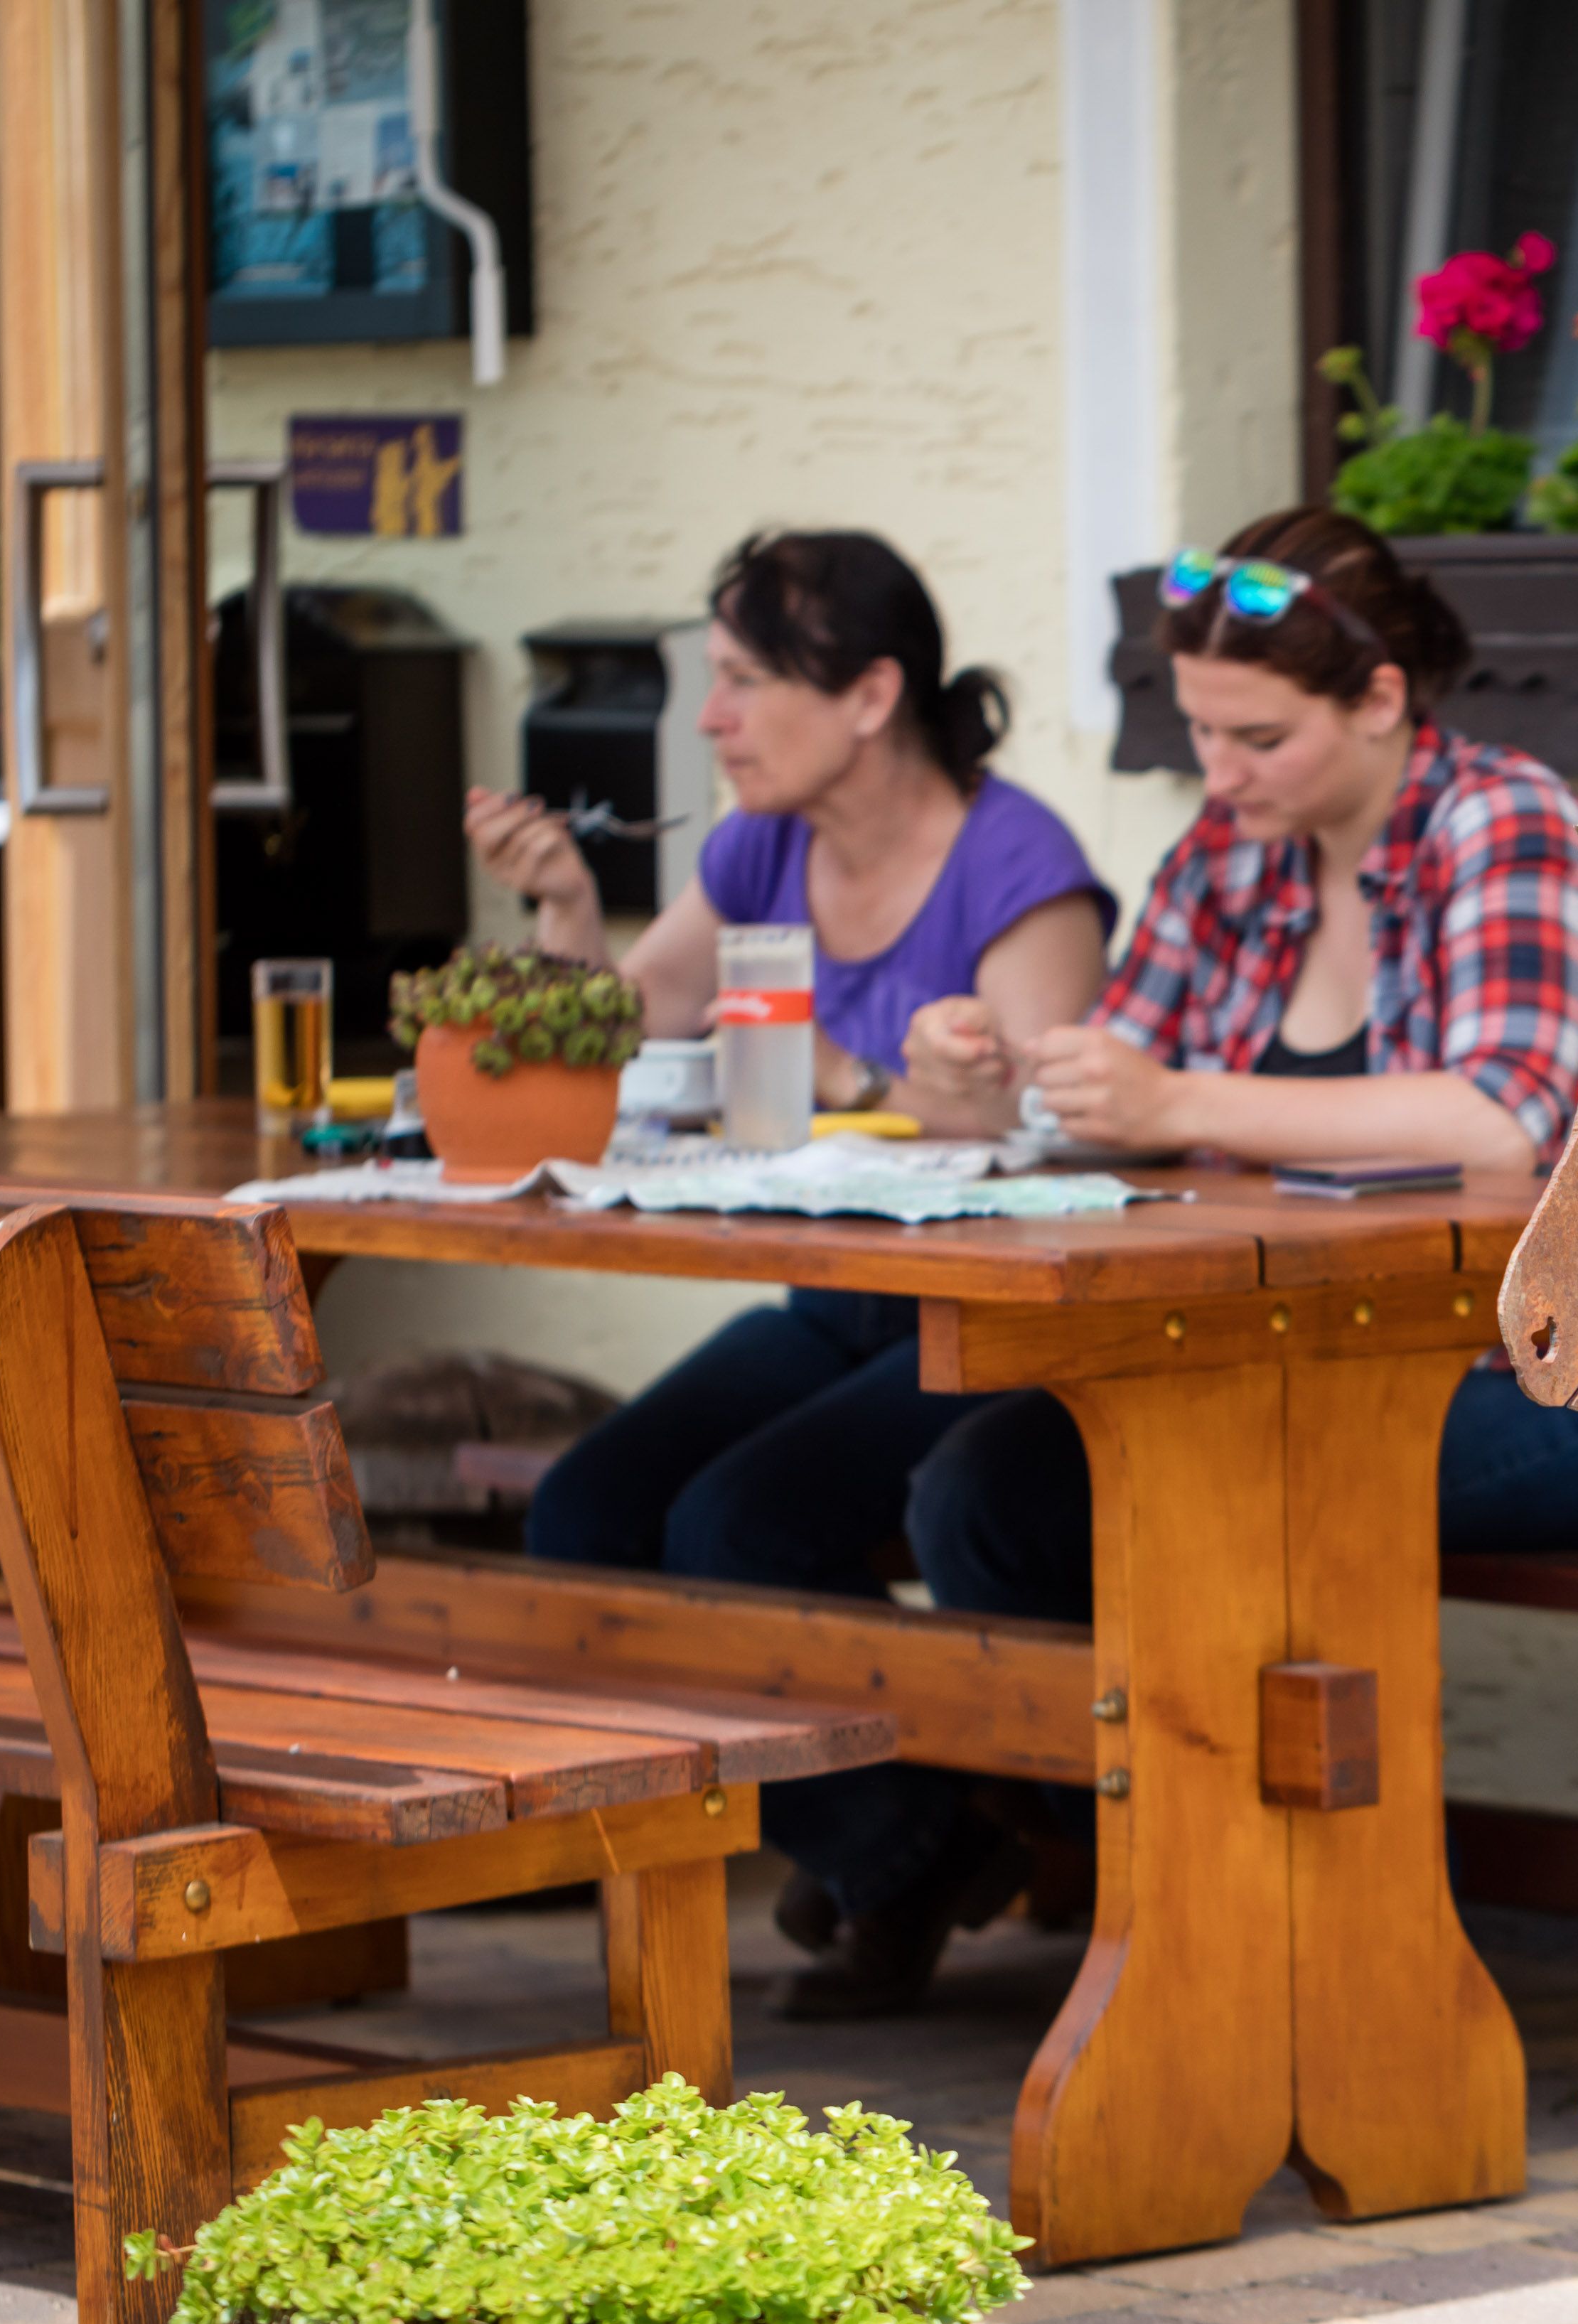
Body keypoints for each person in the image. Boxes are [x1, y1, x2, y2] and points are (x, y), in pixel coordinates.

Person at [763, 507, 1578, 2016]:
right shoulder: (1237, 851)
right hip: (1302, 1350)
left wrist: (1175, 1104)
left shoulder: (1507, 823)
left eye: (1256, 736)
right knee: (984, 1489)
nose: (1215, 771)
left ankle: (1264, 1946)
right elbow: (1127, 1093)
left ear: (1380, 702)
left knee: (1191, 1485)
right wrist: (996, 1083)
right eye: (1199, 729)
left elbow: (1502, 1117)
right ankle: (1126, 1876)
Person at [475, 531, 1112, 1976]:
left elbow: (1048, 1136)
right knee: (586, 1512)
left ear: (873, 694)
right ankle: (908, 1840)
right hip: (838, 1299)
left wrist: (853, 1068)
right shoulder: (758, 848)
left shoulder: (1020, 868)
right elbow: (615, 1027)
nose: (711, 719)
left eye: (746, 682)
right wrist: (569, 912)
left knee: (733, 1526)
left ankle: (903, 1852)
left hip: (984, 1317)